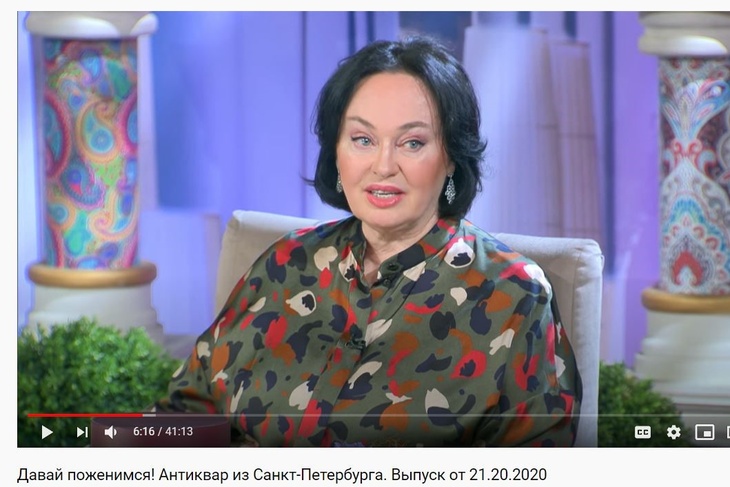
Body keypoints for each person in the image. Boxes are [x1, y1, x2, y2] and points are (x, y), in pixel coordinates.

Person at [154, 35, 582, 447]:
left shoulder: (514, 295)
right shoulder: (286, 262)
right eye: (363, 140)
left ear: (451, 157)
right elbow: (181, 417)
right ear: (336, 152)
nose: (383, 165)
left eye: (412, 143)